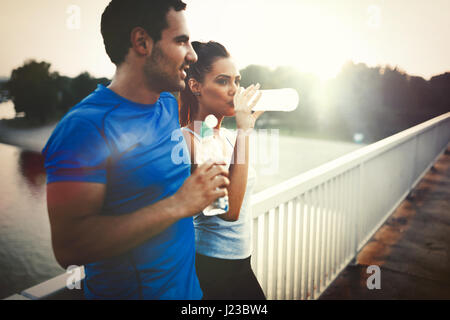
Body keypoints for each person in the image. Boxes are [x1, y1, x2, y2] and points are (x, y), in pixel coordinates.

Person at [42, 0, 230, 300]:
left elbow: (202, 118)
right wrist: (179, 204)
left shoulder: (168, 104)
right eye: (181, 41)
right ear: (142, 42)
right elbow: (69, 248)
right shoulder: (85, 128)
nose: (192, 54)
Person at [179, 41, 266, 300]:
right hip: (211, 271)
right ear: (195, 86)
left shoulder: (228, 137)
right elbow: (229, 211)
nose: (234, 91)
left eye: (236, 81)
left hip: (242, 265)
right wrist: (244, 131)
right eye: (223, 81)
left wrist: (240, 132)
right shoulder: (189, 138)